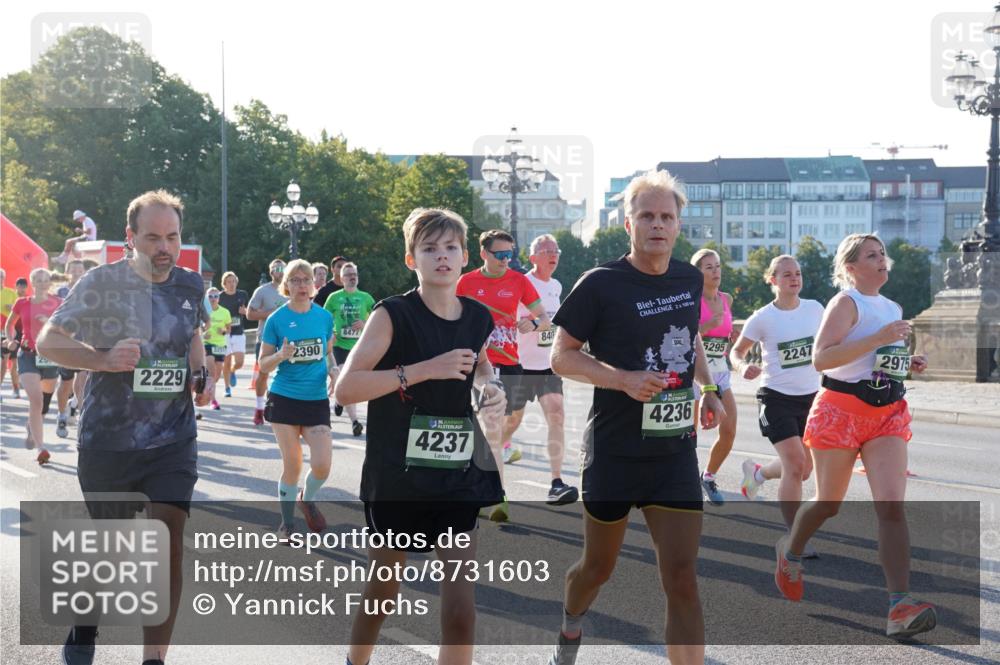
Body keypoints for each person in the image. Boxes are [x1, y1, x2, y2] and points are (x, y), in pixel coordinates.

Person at [546, 171, 724, 665]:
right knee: (597, 569)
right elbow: (561, 356)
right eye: (647, 216)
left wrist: (708, 388)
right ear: (628, 224)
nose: (657, 224)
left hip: (673, 452)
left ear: (678, 225)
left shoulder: (688, 278)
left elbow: (689, 337)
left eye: (666, 216)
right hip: (615, 452)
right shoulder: (600, 283)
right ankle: (571, 624)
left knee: (683, 578)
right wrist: (622, 378)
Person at [37, 189, 210, 665]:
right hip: (109, 442)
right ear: (130, 237)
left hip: (173, 437)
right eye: (153, 237)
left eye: (172, 237)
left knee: (167, 543)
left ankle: (154, 659)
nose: (164, 248)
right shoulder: (101, 283)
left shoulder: (190, 286)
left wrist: (201, 373)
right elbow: (48, 339)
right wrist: (103, 360)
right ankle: (84, 626)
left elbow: (193, 334)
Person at [336, 207, 506, 665]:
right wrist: (425, 370)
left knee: (461, 612)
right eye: (430, 248)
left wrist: (490, 388)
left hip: (457, 472)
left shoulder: (477, 317)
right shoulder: (392, 314)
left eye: (450, 247)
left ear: (466, 256)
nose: (442, 256)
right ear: (412, 259)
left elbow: (481, 366)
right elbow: (346, 388)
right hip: (398, 474)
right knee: (383, 593)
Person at [774, 233, 936, 640]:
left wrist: (905, 362)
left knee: (891, 507)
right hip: (840, 411)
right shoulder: (846, 303)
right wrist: (879, 338)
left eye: (883, 254)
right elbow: (822, 358)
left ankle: (900, 605)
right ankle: (790, 552)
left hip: (886, 414)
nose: (882, 260)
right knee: (828, 504)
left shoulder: (892, 307)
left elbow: (879, 362)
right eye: (871, 255)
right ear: (851, 267)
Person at [729, 255, 824, 552]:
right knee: (795, 465)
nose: (794, 278)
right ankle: (795, 538)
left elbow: (838, 339)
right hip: (776, 398)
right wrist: (743, 367)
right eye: (786, 274)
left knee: (803, 470)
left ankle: (758, 474)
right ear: (772, 280)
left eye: (798, 273)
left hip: (812, 399)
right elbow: (736, 352)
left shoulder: (815, 309)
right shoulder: (762, 318)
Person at [456, 229, 551, 522]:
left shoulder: (518, 281)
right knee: (492, 424)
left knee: (513, 418)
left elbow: (545, 319)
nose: (506, 260)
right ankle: (498, 496)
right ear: (484, 253)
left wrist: (532, 324)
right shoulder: (466, 282)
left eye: (509, 254)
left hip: (511, 363)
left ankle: (495, 453)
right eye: (500, 255)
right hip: (481, 364)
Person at [257, 259, 336, 537]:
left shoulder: (324, 317)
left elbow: (328, 352)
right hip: (285, 398)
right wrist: (280, 355)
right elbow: (263, 364)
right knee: (293, 464)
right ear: (286, 285)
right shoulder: (276, 319)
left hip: (316, 400)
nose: (302, 285)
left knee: (322, 465)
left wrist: (334, 370)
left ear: (313, 284)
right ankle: (287, 523)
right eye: (295, 280)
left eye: (306, 280)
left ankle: (307, 498)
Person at [509, 234, 579, 505]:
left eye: (556, 250)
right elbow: (515, 318)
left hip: (547, 366)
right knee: (511, 422)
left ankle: (556, 483)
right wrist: (530, 323)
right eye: (547, 250)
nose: (553, 255)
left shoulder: (557, 286)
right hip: (520, 366)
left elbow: (551, 323)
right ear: (532, 257)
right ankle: (493, 456)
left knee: (557, 414)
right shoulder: (521, 283)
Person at [690, 248, 739, 506]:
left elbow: (725, 335)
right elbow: (685, 333)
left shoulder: (726, 299)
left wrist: (730, 339)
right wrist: (707, 327)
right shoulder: (692, 300)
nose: (715, 271)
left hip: (720, 371)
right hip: (696, 373)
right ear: (697, 272)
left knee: (729, 429)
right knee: (690, 434)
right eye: (708, 267)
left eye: (717, 266)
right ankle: (686, 481)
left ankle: (708, 476)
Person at [5, 268, 62, 464]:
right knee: (36, 401)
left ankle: (32, 426)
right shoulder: (22, 303)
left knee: (43, 404)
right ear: (32, 282)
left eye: (45, 279)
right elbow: (10, 324)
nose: (42, 282)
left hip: (49, 356)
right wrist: (10, 340)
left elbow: (67, 328)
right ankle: (41, 448)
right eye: (38, 279)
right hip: (27, 354)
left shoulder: (58, 303)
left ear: (50, 282)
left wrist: (49, 324)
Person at [323, 261, 376, 437]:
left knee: (350, 384)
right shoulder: (334, 297)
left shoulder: (366, 298)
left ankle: (339, 399)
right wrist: (330, 333)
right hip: (339, 346)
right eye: (348, 275)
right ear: (341, 278)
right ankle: (355, 422)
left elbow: (378, 319)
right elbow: (324, 319)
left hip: (359, 347)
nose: (352, 277)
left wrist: (365, 323)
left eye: (354, 274)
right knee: (343, 378)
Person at [247, 259, 288, 425]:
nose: (280, 271)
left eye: (282, 268)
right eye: (276, 269)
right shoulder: (262, 291)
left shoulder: (291, 289)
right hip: (266, 338)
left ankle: (281, 407)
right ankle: (259, 408)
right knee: (263, 373)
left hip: (287, 340)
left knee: (287, 373)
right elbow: (250, 314)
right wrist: (270, 314)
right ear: (271, 272)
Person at [54, 259, 90, 438]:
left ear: (84, 271)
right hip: (66, 342)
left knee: (83, 381)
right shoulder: (60, 291)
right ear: (67, 271)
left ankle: (83, 420)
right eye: (73, 269)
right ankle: (61, 415)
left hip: (84, 341)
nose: (76, 272)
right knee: (65, 383)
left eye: (79, 269)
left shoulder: (90, 290)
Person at [217, 271, 249, 397]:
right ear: (224, 284)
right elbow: (214, 313)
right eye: (229, 282)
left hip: (238, 332)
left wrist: (245, 312)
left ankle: (233, 371)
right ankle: (227, 388)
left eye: (234, 281)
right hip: (224, 333)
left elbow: (249, 311)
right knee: (227, 360)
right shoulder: (220, 297)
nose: (232, 284)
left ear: (236, 282)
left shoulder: (242, 294)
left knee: (240, 362)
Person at [203, 287, 232, 410]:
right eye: (210, 296)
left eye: (215, 296)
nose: (213, 299)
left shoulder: (225, 312)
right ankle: (213, 400)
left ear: (219, 298)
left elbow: (229, 329)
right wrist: (203, 334)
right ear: (206, 298)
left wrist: (223, 331)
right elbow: (196, 327)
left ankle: (207, 390)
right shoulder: (203, 310)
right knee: (211, 370)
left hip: (220, 345)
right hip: (206, 343)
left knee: (217, 373)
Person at [5, 278, 29, 398]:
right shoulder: (11, 296)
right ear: (16, 286)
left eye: (24, 286)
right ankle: (16, 388)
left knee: (23, 361)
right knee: (13, 361)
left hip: (26, 333)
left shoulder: (30, 299)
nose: (22, 288)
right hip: (13, 332)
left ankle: (23, 384)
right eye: (19, 286)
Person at [1, 268, 18, 395]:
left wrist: (12, 308)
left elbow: (19, 311)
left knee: (4, 361)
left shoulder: (11, 293)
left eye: (1, 276)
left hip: (6, 331)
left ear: (4, 278)